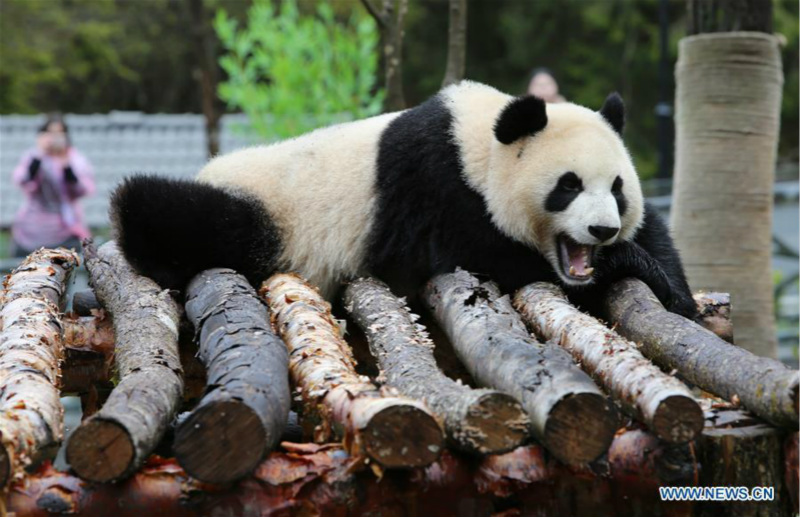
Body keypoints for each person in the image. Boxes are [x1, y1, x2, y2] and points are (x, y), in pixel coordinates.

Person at [11, 114, 95, 257]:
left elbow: (82, 188)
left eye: (59, 133)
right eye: (50, 133)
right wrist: (40, 154)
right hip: (32, 230)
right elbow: (24, 180)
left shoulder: (75, 159)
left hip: (67, 229)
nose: (54, 138)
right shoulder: (33, 157)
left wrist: (66, 166)